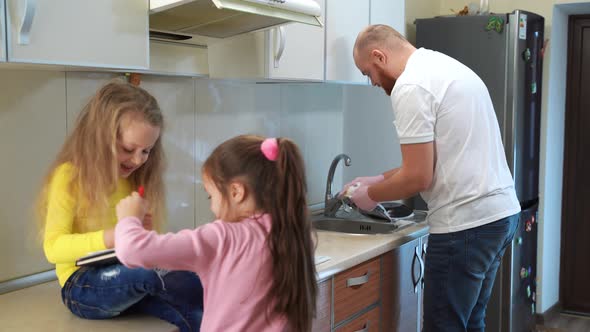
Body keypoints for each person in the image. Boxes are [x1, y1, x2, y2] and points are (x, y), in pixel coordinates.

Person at [344, 24, 521, 331]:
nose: (372, 82)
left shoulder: (410, 87)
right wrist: (376, 178)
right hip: (499, 215)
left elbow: (418, 177)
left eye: (367, 72)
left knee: (444, 326)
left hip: (465, 225)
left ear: (379, 56)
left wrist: (370, 196)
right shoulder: (442, 67)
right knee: (469, 322)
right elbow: (430, 161)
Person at [37, 80, 203, 332]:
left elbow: (138, 250)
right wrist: (114, 237)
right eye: (128, 149)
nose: (138, 160)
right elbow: (53, 248)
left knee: (191, 285)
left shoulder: (134, 180)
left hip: (126, 276)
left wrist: (143, 233)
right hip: (81, 286)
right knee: (150, 275)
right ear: (99, 137)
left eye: (146, 151)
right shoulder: (69, 177)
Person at [114, 135, 318, 332]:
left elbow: (132, 250)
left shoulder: (224, 237)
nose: (212, 207)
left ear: (237, 192)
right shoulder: (296, 233)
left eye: (210, 196)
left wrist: (128, 219)